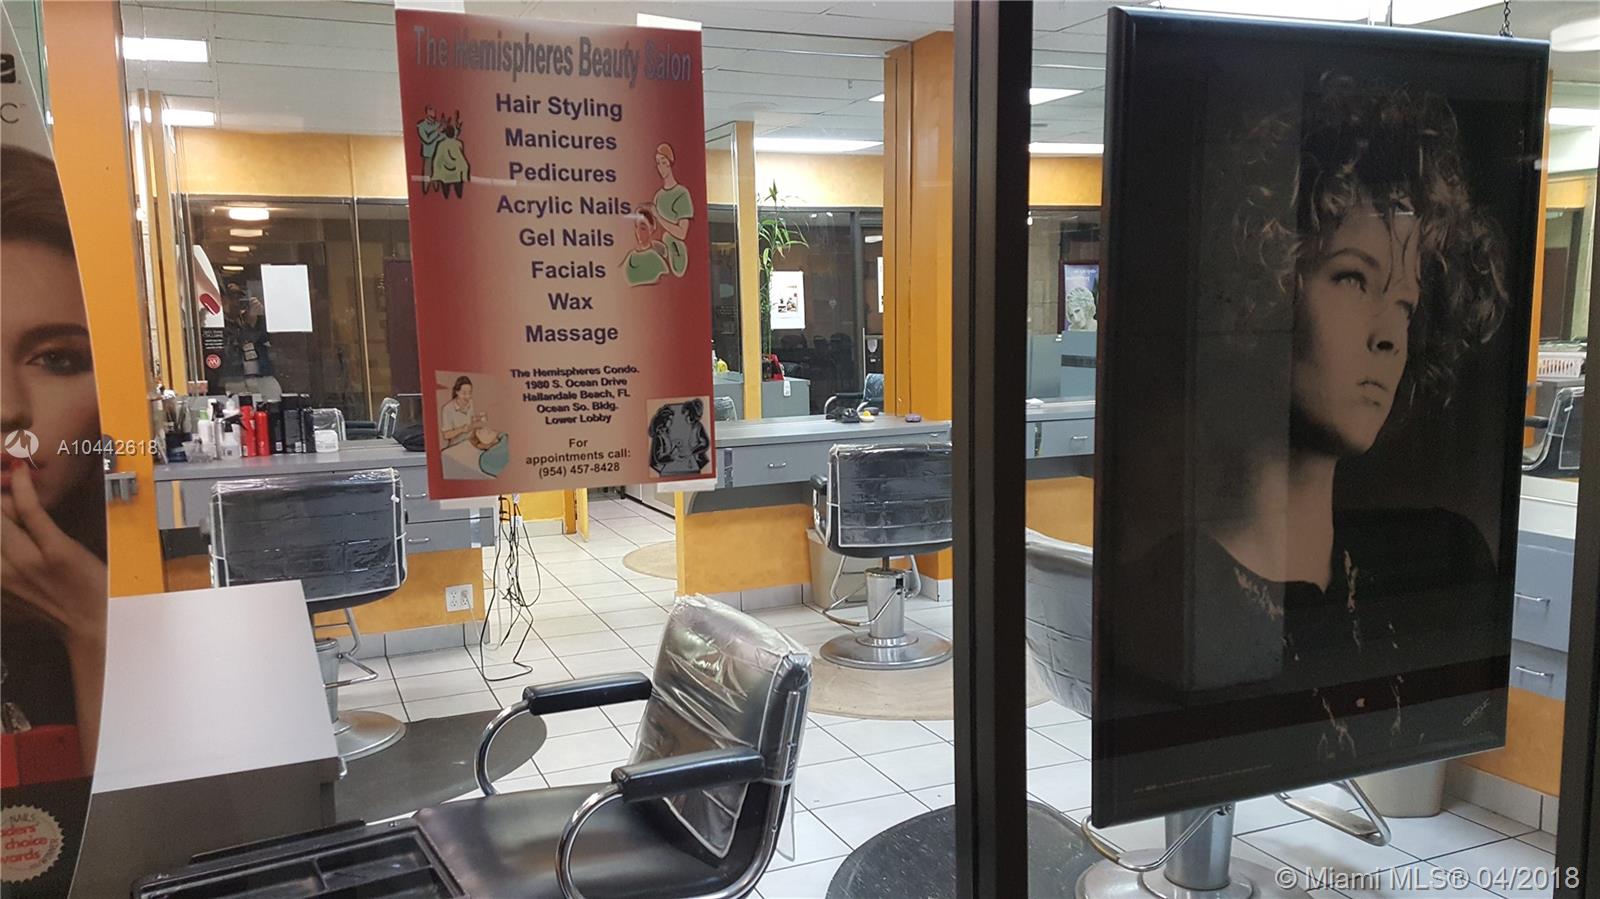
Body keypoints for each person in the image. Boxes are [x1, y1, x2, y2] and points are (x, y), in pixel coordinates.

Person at [1168, 72, 1511, 765]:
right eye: (1354, 278)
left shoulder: (1444, 559)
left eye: (1406, 304)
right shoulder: (1174, 596)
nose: (1389, 336)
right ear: (1266, 284)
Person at [0, 146, 109, 775]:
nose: (8, 409)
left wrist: (94, 627)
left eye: (57, 360)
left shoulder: (145, 587)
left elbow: (146, 834)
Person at [221, 281, 282, 400]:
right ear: (223, 300)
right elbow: (233, 346)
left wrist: (260, 318)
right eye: (232, 298)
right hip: (236, 378)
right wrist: (249, 325)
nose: (237, 302)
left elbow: (270, 340)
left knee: (274, 400)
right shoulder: (221, 324)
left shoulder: (249, 319)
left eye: (239, 298)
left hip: (262, 374)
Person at [651, 142, 693, 277]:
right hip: (661, 257)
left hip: (677, 254)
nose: (661, 167)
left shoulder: (681, 193)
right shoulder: (658, 196)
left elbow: (682, 233)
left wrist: (658, 216)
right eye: (658, 163)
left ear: (670, 163)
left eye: (664, 162)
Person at [623, 207, 669, 286]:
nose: (639, 232)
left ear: (651, 229)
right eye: (637, 227)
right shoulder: (630, 257)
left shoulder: (658, 255)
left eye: (643, 228)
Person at [432, 117, 469, 200]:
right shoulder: (458, 143)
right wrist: (464, 175)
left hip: (446, 174)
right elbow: (461, 160)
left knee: (448, 195)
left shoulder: (442, 144)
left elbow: (437, 160)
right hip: (455, 173)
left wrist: (436, 174)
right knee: (457, 194)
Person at [416, 105, 443, 194]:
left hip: (438, 153)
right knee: (427, 173)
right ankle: (425, 191)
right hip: (428, 154)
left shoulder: (438, 124)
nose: (433, 112)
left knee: (437, 173)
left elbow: (443, 137)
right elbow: (427, 140)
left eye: (434, 110)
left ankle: (436, 190)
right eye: (431, 110)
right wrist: (437, 132)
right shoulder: (421, 126)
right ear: (427, 112)